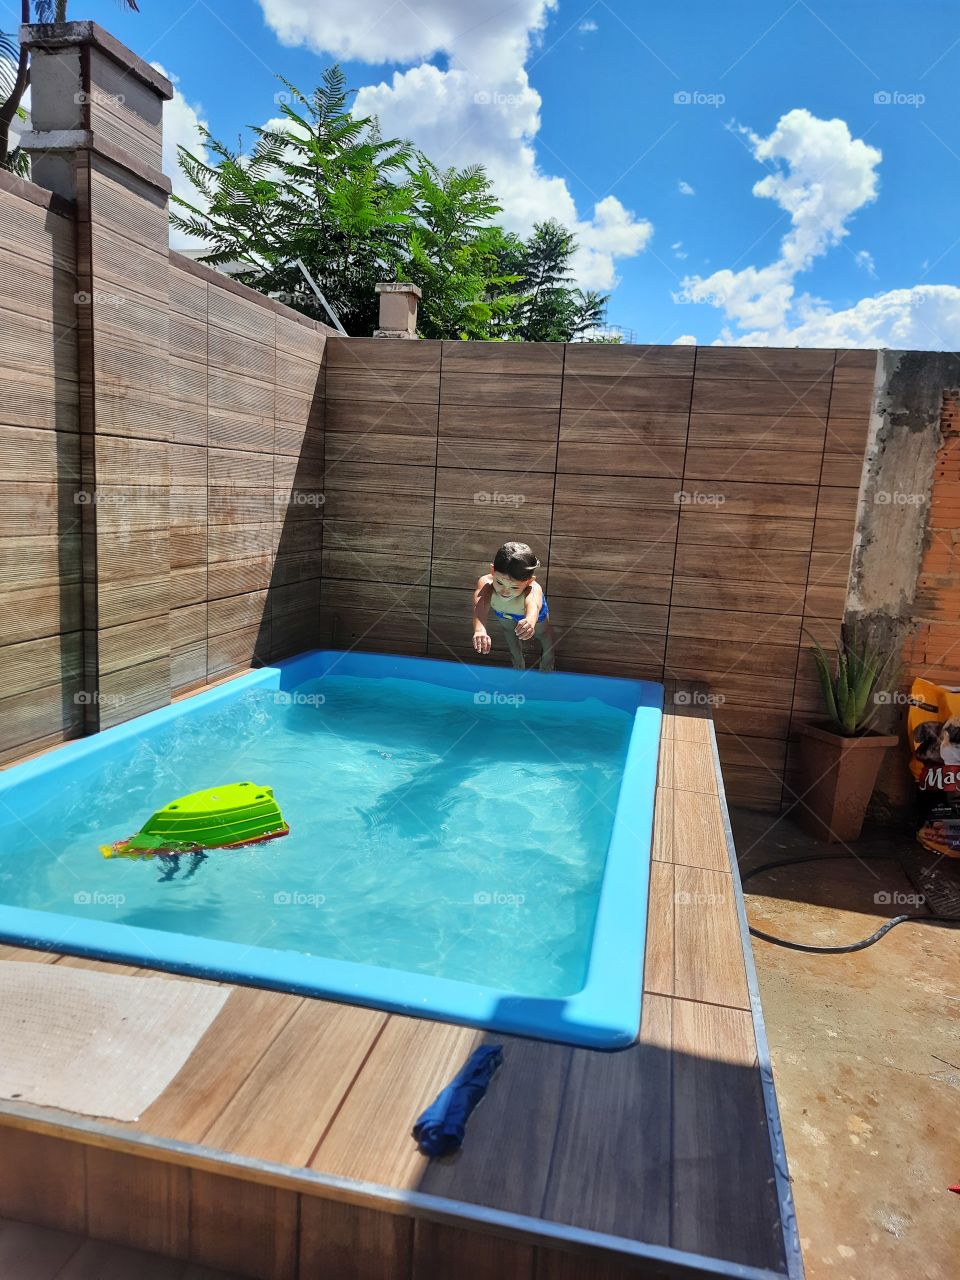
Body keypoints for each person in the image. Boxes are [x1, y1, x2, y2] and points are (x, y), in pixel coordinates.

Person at [472, 541, 556, 672]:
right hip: (504, 613)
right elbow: (480, 605)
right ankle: (517, 659)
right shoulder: (486, 584)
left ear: (529, 581)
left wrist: (530, 621)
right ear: (492, 570)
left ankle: (549, 656)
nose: (505, 591)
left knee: (543, 634)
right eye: (499, 582)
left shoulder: (533, 589)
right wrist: (480, 630)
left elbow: (533, 606)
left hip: (532, 617)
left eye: (515, 587)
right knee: (509, 632)